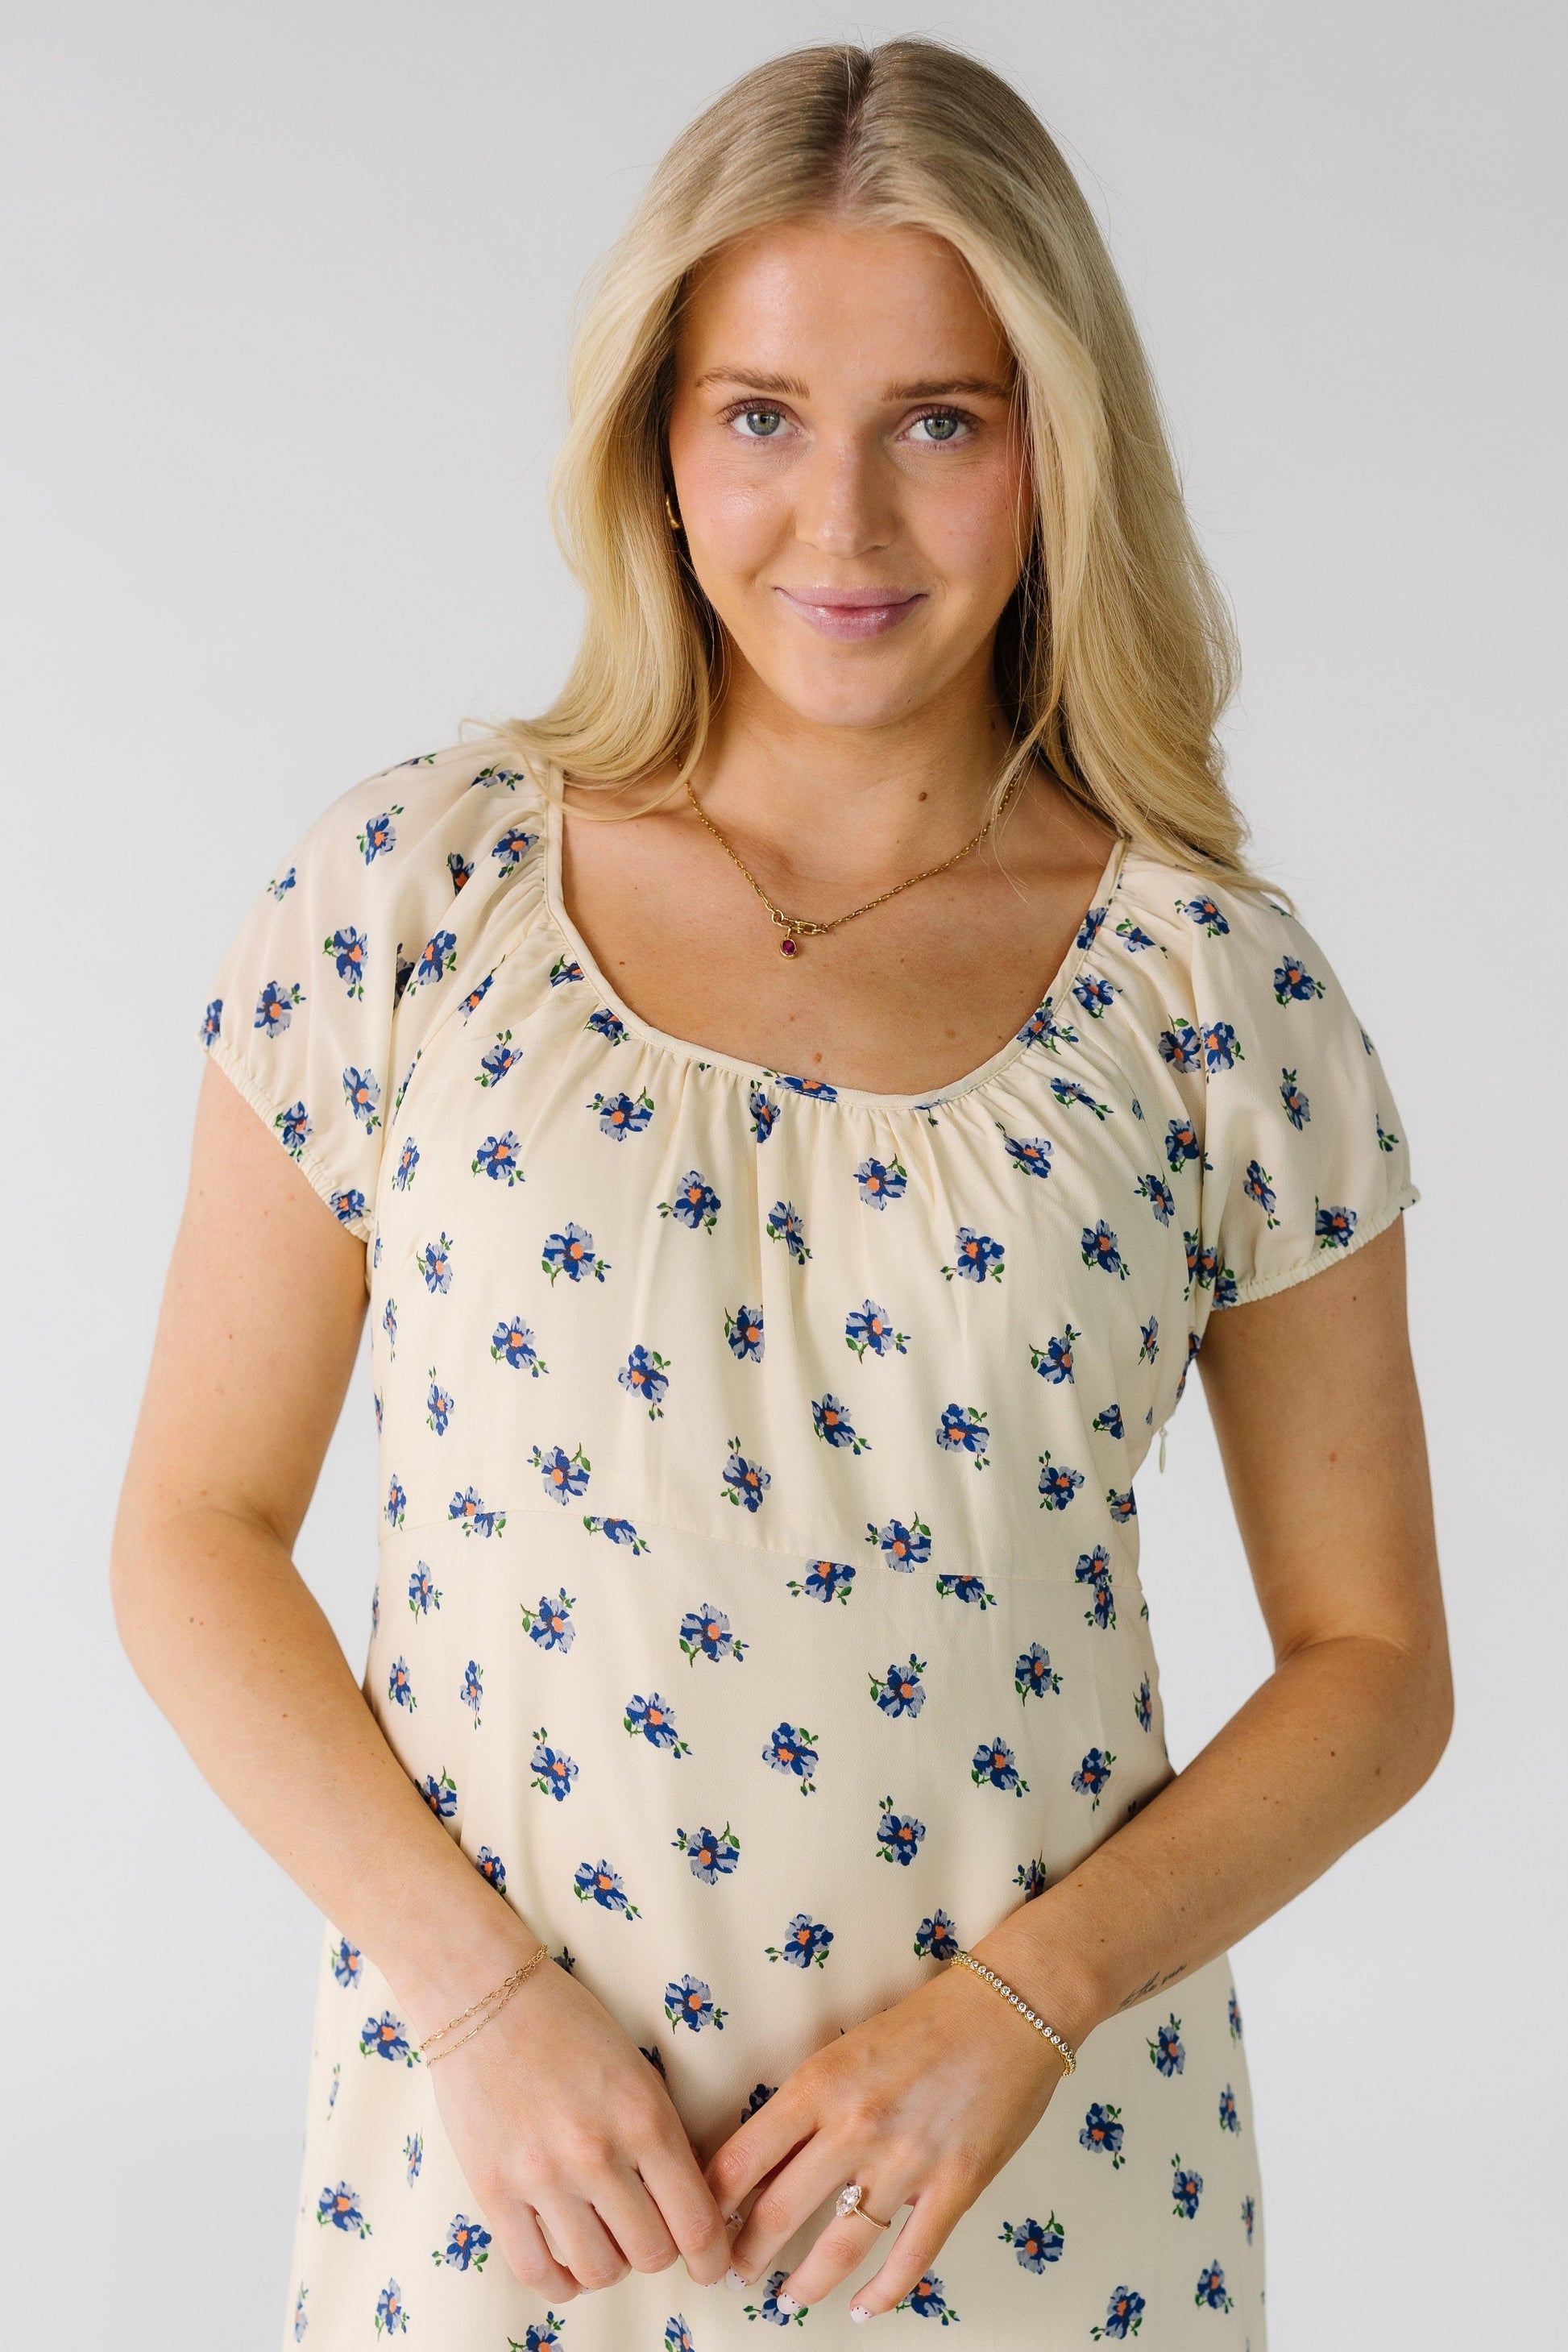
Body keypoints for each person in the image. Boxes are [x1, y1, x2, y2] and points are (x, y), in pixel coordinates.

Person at [112, 35, 1451, 2350]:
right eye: (758, 414)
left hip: (1038, 2195)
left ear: (1060, 444)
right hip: (504, 2185)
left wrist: (1018, 2018)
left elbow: (1375, 1669)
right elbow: (189, 1536)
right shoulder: (410, 897)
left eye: (941, 417)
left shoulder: (1215, 994)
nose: (840, 525)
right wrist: (479, 2013)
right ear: (651, 437)